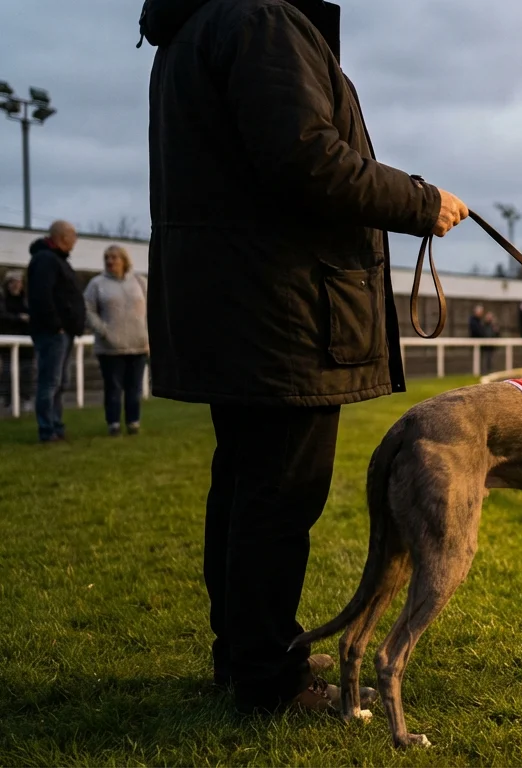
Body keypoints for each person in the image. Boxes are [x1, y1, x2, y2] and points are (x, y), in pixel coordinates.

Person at [140, 0, 468, 714]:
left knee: (244, 491)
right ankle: (268, 681)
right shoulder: (262, 21)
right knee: (277, 499)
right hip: (280, 308)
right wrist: (421, 201)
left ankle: (247, 654)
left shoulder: (203, 24)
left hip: (244, 305)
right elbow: (304, 158)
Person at [26, 221, 85, 443]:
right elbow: (42, 296)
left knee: (59, 383)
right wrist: (56, 325)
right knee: (50, 382)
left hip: (62, 333)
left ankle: (56, 425)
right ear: (63, 237)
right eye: (73, 236)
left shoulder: (56, 260)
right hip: (53, 333)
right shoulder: (46, 260)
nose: (75, 242)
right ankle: (47, 428)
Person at [84, 245, 150, 436]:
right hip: (110, 348)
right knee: (113, 388)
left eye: (114, 257)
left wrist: (148, 336)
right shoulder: (97, 284)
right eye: (107, 258)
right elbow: (88, 309)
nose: (110, 261)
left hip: (138, 345)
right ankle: (113, 423)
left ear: (124, 260)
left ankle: (133, 422)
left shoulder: (139, 282)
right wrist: (104, 331)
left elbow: (151, 309)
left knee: (134, 388)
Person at [0, 270, 33, 412]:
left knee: (26, 372)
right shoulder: (3, 300)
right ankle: (6, 400)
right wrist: (19, 318)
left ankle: (25, 398)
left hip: (26, 343)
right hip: (8, 342)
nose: (16, 285)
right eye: (13, 282)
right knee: (7, 372)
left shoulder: (27, 300)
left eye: (18, 282)